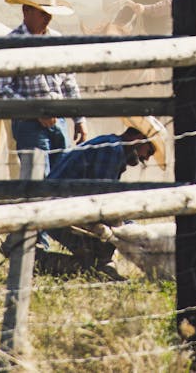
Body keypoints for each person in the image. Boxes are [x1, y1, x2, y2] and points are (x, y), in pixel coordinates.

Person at [36, 116, 167, 279]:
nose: (146, 158)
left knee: (101, 250)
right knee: (104, 248)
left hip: (61, 208)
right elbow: (103, 202)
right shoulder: (112, 150)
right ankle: (40, 261)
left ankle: (48, 263)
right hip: (59, 211)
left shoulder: (111, 146)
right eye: (149, 151)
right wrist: (126, 229)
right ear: (139, 139)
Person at [0, 0, 88, 180]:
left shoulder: (57, 40)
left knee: (62, 176)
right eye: (43, 13)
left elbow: (68, 82)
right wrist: (35, 110)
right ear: (26, 11)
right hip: (28, 123)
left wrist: (79, 119)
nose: (48, 19)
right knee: (35, 178)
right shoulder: (11, 44)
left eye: (49, 14)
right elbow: (1, 90)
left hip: (58, 120)